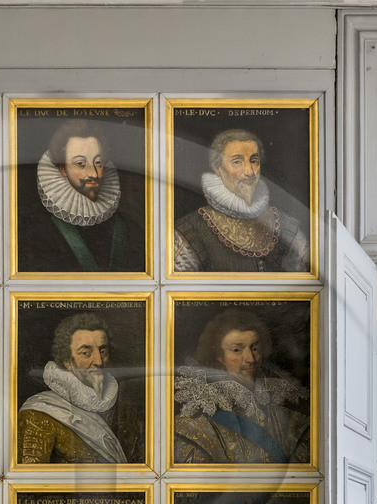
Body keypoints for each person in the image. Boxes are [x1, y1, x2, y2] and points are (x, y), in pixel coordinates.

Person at [173, 308, 310, 464]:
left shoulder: (291, 420)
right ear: (219, 357)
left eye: (255, 348)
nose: (250, 358)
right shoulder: (194, 425)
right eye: (237, 350)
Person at [173, 128, 309, 273]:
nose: (250, 171)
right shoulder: (190, 232)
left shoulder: (288, 228)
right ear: (217, 168)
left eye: (254, 161)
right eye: (237, 162)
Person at [17, 312, 142, 464]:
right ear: (67, 361)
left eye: (102, 351)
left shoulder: (127, 413)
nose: (99, 361)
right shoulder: (37, 414)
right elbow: (30, 483)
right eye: (85, 353)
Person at [19, 120, 141, 272]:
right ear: (63, 169)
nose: (93, 174)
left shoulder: (124, 226)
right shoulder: (38, 231)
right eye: (80, 164)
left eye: (98, 162)